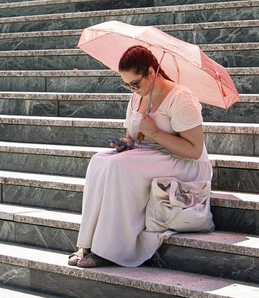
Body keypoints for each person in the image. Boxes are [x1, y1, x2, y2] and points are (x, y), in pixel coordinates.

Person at [69, 44, 212, 268]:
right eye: (126, 84)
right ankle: (87, 243)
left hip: (184, 163)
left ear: (151, 73)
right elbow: (132, 137)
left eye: (135, 83)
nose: (132, 89)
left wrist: (154, 132)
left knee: (120, 166)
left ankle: (110, 249)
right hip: (148, 156)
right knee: (99, 161)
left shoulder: (181, 98)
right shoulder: (138, 97)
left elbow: (194, 151)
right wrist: (125, 144)